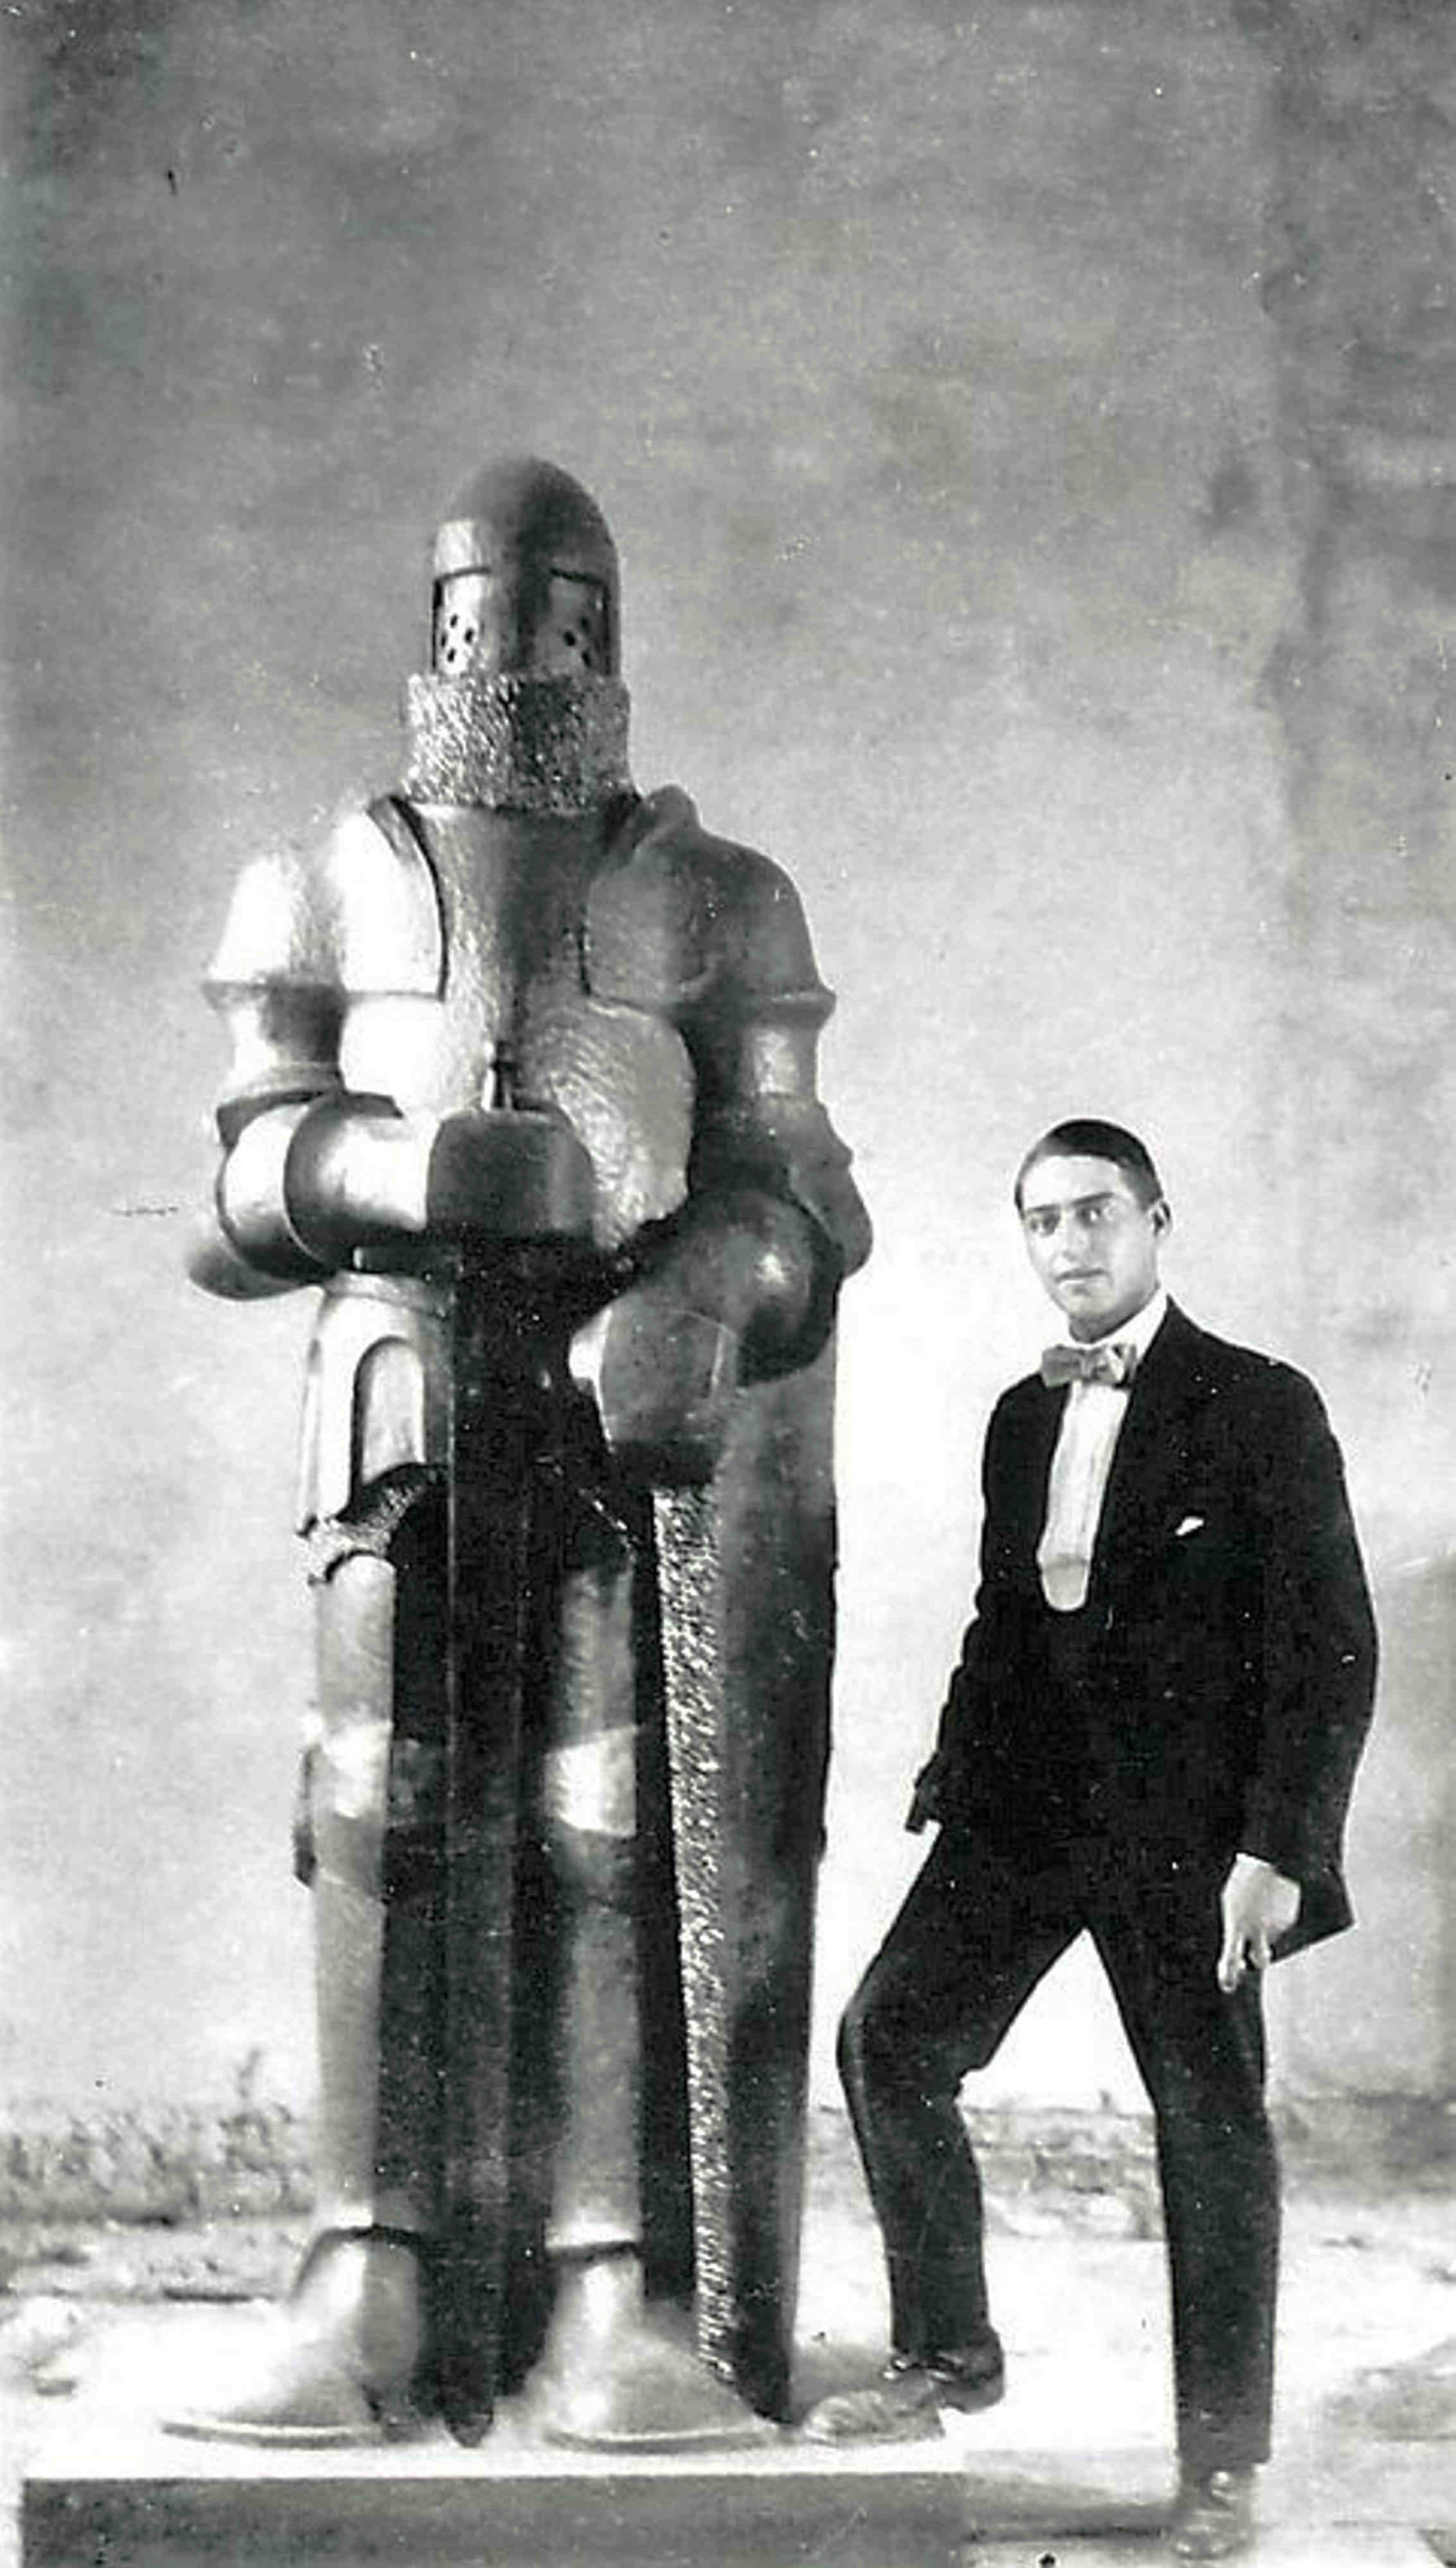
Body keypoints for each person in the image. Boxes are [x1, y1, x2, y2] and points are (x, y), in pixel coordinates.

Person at [176, 457, 870, 2449]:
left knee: (603, 1817)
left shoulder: (717, 894)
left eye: (561, 621)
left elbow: (805, 1190)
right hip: (393, 1387)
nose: (522, 656)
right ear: (435, 630)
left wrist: (706, 1288)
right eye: (488, 618)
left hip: (606, 1401)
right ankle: (364, 2261)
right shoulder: (319, 879)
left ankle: (607, 2281)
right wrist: (380, 1171)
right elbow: (232, 1198)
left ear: (610, 635)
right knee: (372, 1801)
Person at [802, 1120, 1375, 2564]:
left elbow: (1330, 1646)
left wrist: (1281, 1848)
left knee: (1209, 2124)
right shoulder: (1020, 1415)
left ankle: (1222, 2469)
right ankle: (948, 2351)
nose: (1071, 1244)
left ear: (1157, 1222)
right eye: (1044, 1220)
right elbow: (1004, 1617)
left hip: (1192, 1837)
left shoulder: (1259, 1404)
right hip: (1027, 1810)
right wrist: (953, 1775)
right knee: (889, 2037)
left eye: (1097, 1213)